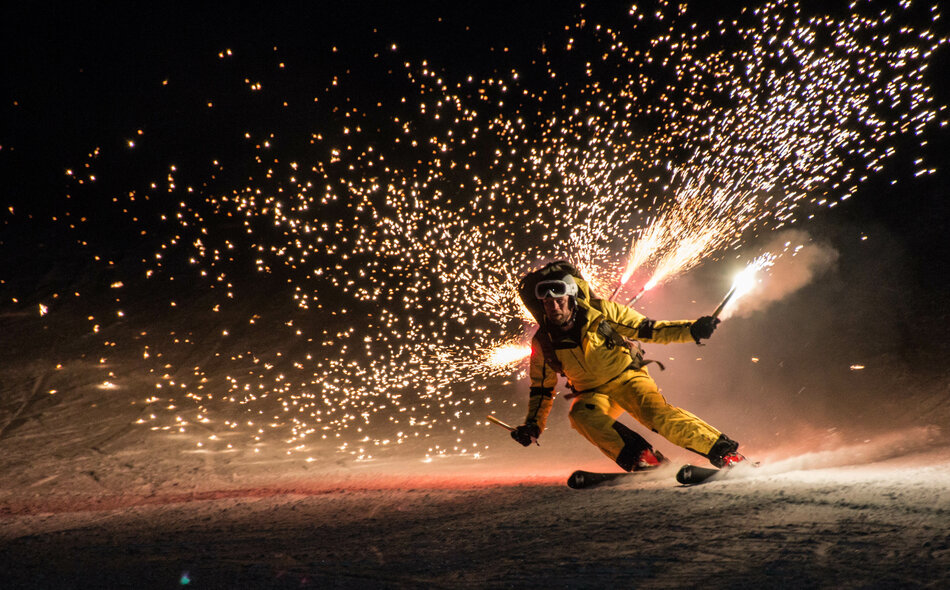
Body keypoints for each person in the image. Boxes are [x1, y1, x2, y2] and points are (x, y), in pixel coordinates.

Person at [511, 270, 746, 471]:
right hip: (592, 393)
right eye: (547, 302)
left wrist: (692, 330)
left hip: (627, 378)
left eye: (558, 299)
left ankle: (726, 453)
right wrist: (533, 425)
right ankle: (645, 460)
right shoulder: (543, 341)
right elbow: (541, 388)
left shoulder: (601, 313)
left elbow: (648, 329)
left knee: (656, 416)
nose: (553, 306)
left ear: (571, 297)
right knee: (581, 416)